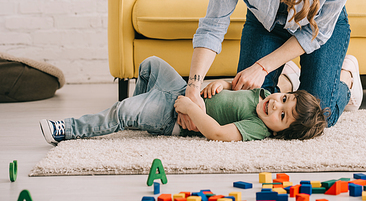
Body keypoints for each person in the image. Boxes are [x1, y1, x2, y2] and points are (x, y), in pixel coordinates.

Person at [179, 0, 363, 131]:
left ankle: (346, 78)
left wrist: (262, 67)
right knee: (251, 107)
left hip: (317, 29)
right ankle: (287, 80)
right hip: (266, 25)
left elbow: (316, 33)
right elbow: (213, 26)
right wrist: (193, 87)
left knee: (318, 118)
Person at [39, 56, 327, 145]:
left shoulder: (257, 128)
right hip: (181, 91)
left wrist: (190, 109)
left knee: (123, 110)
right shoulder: (263, 95)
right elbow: (232, 85)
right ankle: (142, 111)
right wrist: (221, 84)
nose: (277, 105)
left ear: (280, 132)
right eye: (284, 98)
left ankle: (67, 129)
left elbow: (218, 133)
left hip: (175, 117)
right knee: (151, 64)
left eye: (283, 115)